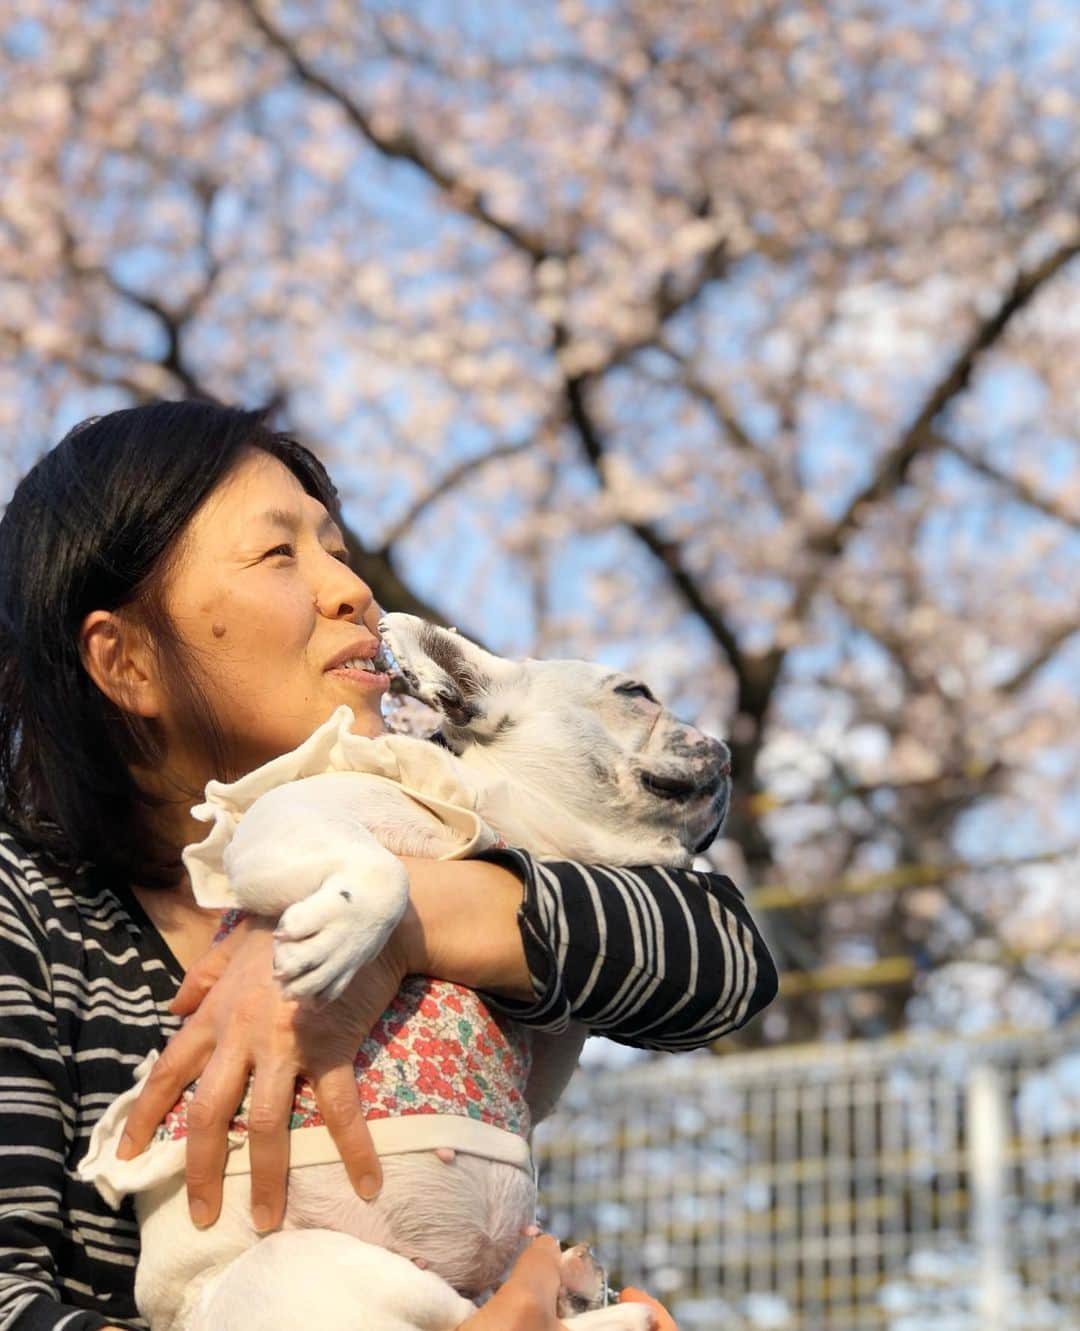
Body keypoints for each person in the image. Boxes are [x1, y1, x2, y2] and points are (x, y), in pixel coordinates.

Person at [0, 401, 777, 1330]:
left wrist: (403, 922)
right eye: (278, 553)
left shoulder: (432, 803)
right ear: (125, 661)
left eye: (337, 547)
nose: (350, 590)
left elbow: (725, 956)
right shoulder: (32, 914)